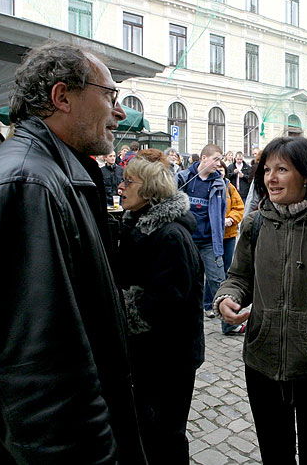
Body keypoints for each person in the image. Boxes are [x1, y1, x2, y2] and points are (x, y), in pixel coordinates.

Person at [0, 43, 146, 463]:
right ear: (62, 97)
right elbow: (36, 380)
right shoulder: (26, 184)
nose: (119, 112)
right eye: (109, 95)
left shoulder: (50, 172)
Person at [214, 136, 307, 464]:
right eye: (267, 169)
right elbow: (240, 276)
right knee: (274, 453)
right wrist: (229, 297)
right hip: (262, 363)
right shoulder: (255, 223)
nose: (271, 177)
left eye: (282, 169)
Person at [117, 149, 204, 464]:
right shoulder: (138, 223)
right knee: (149, 431)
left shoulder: (169, 235)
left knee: (166, 435)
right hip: (151, 352)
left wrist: (123, 308)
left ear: (150, 189)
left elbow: (168, 300)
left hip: (170, 357)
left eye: (129, 181)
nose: (120, 187)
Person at [176, 145, 235, 332]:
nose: (219, 164)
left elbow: (220, 213)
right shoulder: (183, 178)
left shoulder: (220, 183)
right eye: (216, 159)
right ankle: (183, 325)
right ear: (203, 158)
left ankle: (229, 324)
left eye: (221, 160)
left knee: (219, 282)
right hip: (187, 242)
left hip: (209, 242)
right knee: (186, 284)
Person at [217, 162, 245, 274]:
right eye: (216, 170)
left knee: (227, 266)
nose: (219, 172)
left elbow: (239, 207)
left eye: (221, 170)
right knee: (214, 270)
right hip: (212, 235)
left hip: (229, 234)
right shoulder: (207, 187)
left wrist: (231, 219)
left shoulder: (230, 187)